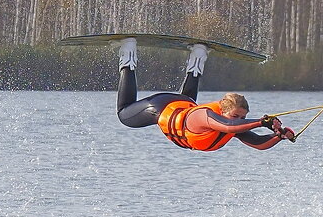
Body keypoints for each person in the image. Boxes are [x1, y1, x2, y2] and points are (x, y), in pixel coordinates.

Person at [114, 37, 294, 151]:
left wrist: (280, 136)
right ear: (223, 111)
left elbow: (258, 143)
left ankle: (198, 55)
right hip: (159, 107)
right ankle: (128, 56)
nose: (239, 120)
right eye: (236, 116)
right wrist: (262, 122)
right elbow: (230, 126)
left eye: (242, 117)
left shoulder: (230, 124)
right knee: (124, 113)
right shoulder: (206, 116)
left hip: (184, 101)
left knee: (190, 101)